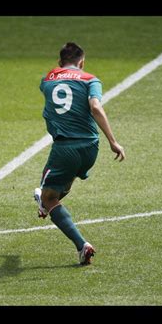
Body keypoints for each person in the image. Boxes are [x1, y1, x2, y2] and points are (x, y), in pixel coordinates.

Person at [34, 42, 125, 265]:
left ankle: (81, 245)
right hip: (91, 147)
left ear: (59, 62)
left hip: (65, 148)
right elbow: (95, 106)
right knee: (61, 185)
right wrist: (113, 142)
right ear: (82, 62)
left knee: (48, 198)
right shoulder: (90, 79)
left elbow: (54, 96)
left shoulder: (46, 80)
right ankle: (45, 201)